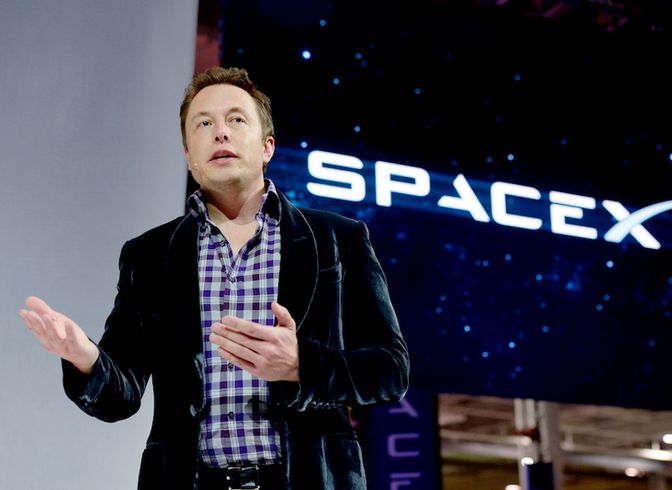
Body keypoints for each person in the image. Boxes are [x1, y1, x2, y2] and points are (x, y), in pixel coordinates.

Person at [19, 66, 409, 490]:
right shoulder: (149, 255)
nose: (220, 132)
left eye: (236, 120)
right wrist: (85, 357)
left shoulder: (339, 239)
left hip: (312, 477)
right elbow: (121, 395)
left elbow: (390, 371)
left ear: (267, 146)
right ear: (188, 154)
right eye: (203, 124)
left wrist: (303, 365)